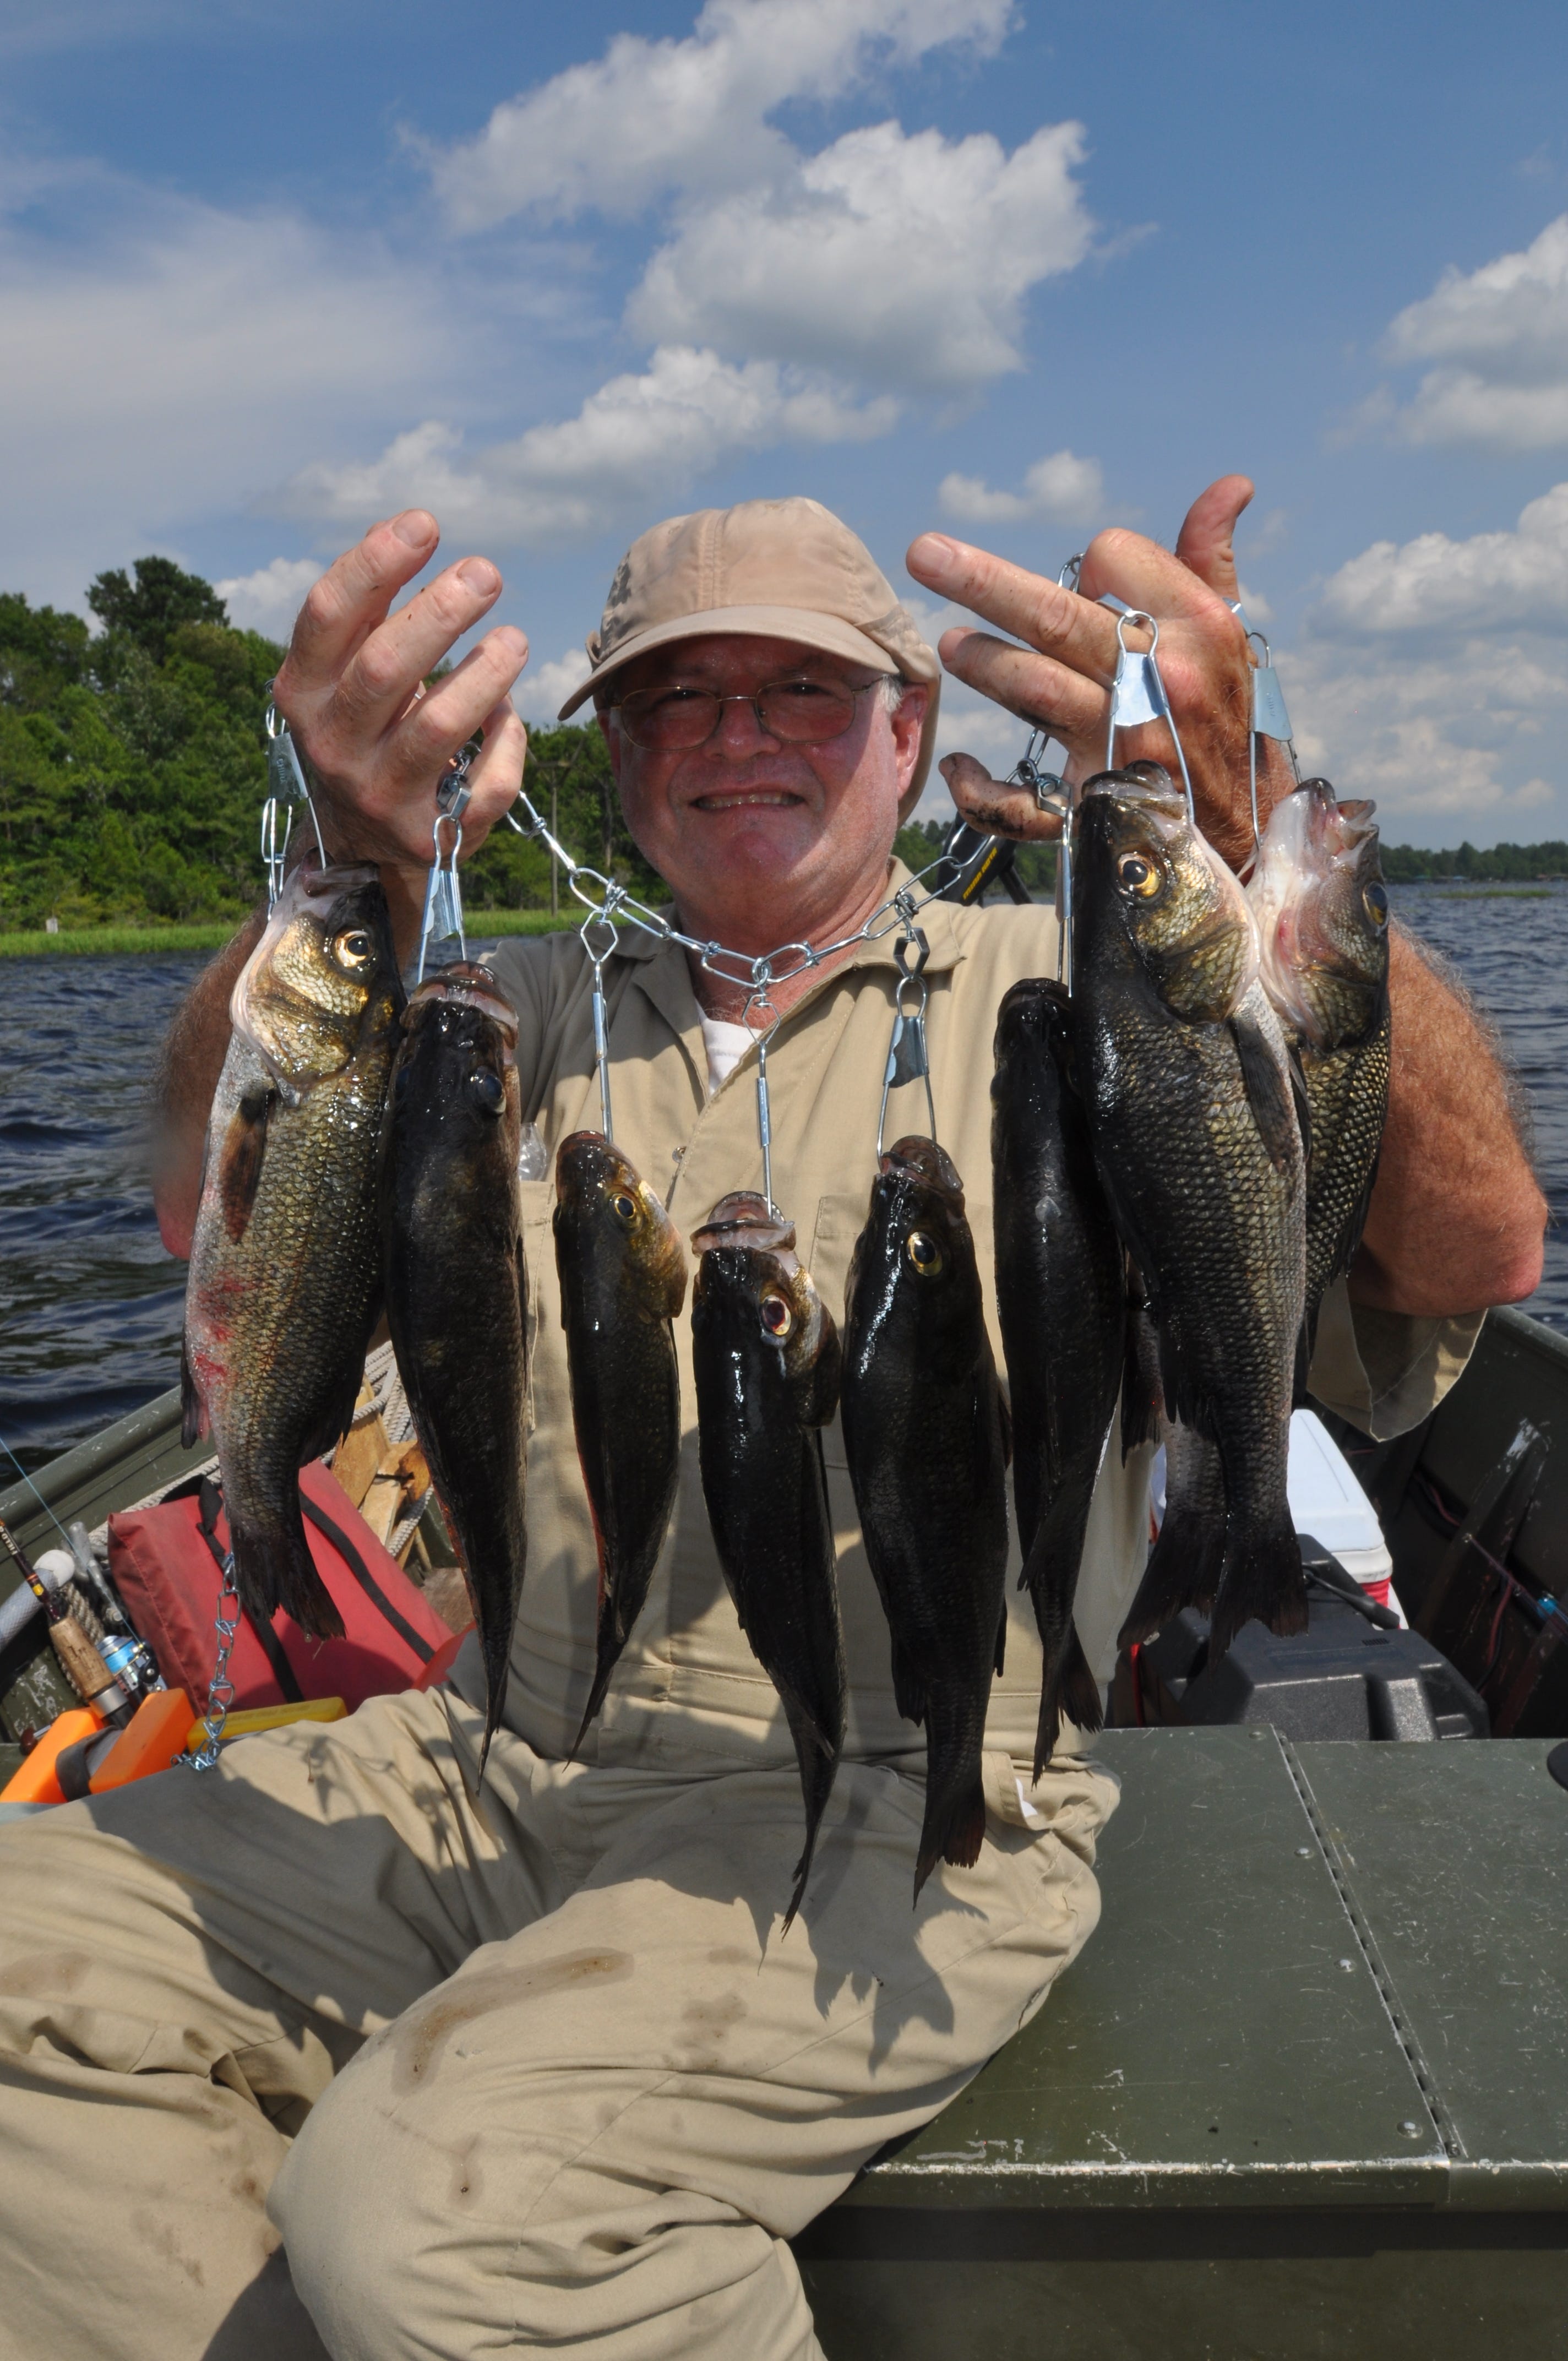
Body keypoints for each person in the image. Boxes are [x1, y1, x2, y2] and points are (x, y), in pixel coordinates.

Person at [0, 482, 1543, 2361]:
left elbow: (1473, 1249)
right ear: (617, 758)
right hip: (494, 1745)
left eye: (800, 691)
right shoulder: (496, 1010)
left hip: (913, 1805)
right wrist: (344, 862)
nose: (738, 737)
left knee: (430, 2222)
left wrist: (1228, 820)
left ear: (910, 731)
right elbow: (211, 1213)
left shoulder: (1085, 988)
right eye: (677, 700)